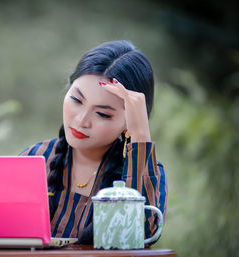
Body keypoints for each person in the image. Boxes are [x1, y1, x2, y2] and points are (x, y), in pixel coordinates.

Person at [20, 40, 167, 245]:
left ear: (128, 122)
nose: (81, 121)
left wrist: (140, 134)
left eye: (102, 114)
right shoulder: (34, 158)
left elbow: (141, 237)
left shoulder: (142, 170)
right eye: (77, 100)